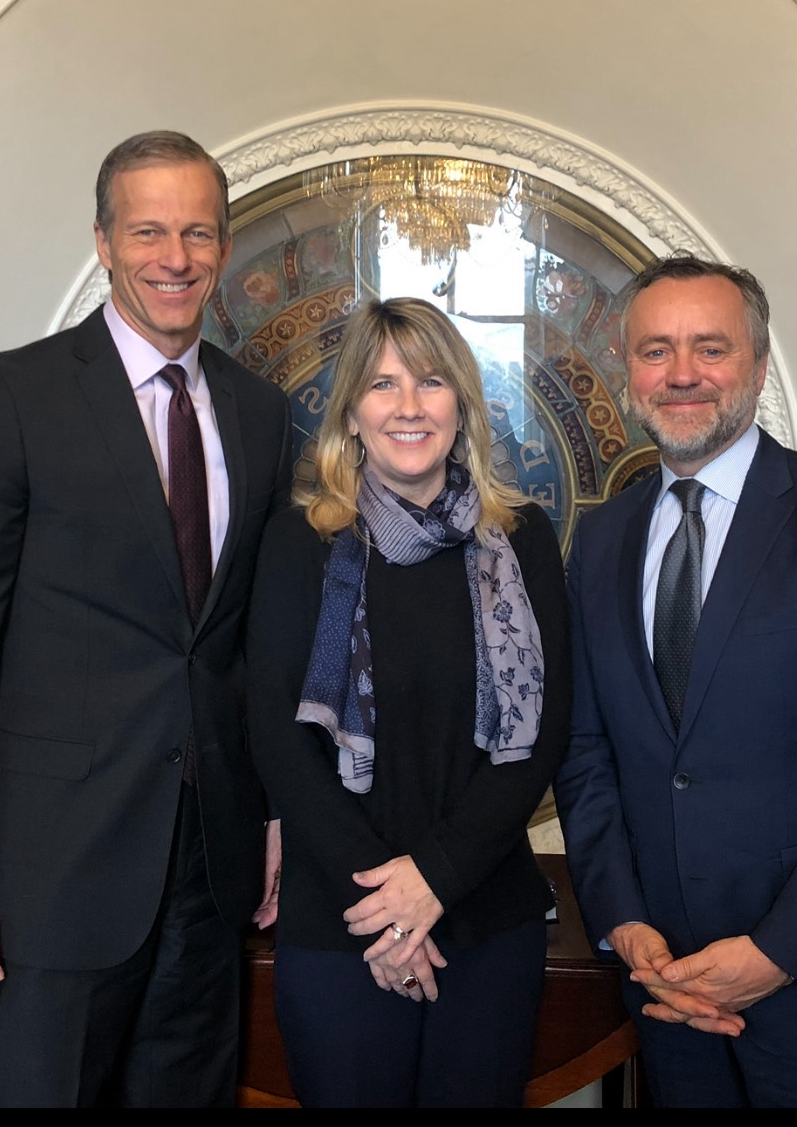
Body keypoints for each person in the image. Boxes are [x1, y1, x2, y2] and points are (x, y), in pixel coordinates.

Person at [0, 131, 293, 1106]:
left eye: (198, 232)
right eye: (148, 231)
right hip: (47, 881)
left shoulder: (259, 412)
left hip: (209, 871)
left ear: (223, 245)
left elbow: (253, 645)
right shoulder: (11, 397)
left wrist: (276, 808)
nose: (176, 257)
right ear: (105, 242)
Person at [553, 253, 797, 1108]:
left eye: (710, 347)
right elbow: (586, 755)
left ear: (759, 367)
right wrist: (626, 927)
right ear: (627, 371)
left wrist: (772, 956)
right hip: (668, 995)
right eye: (655, 351)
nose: (682, 374)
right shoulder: (602, 540)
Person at [246, 296, 571, 1108]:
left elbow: (545, 729)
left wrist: (434, 879)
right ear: (350, 414)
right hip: (341, 925)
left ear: (460, 404)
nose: (408, 406)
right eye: (383, 385)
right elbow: (278, 741)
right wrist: (388, 909)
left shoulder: (520, 537)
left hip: (485, 919)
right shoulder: (300, 542)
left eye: (430, 382)